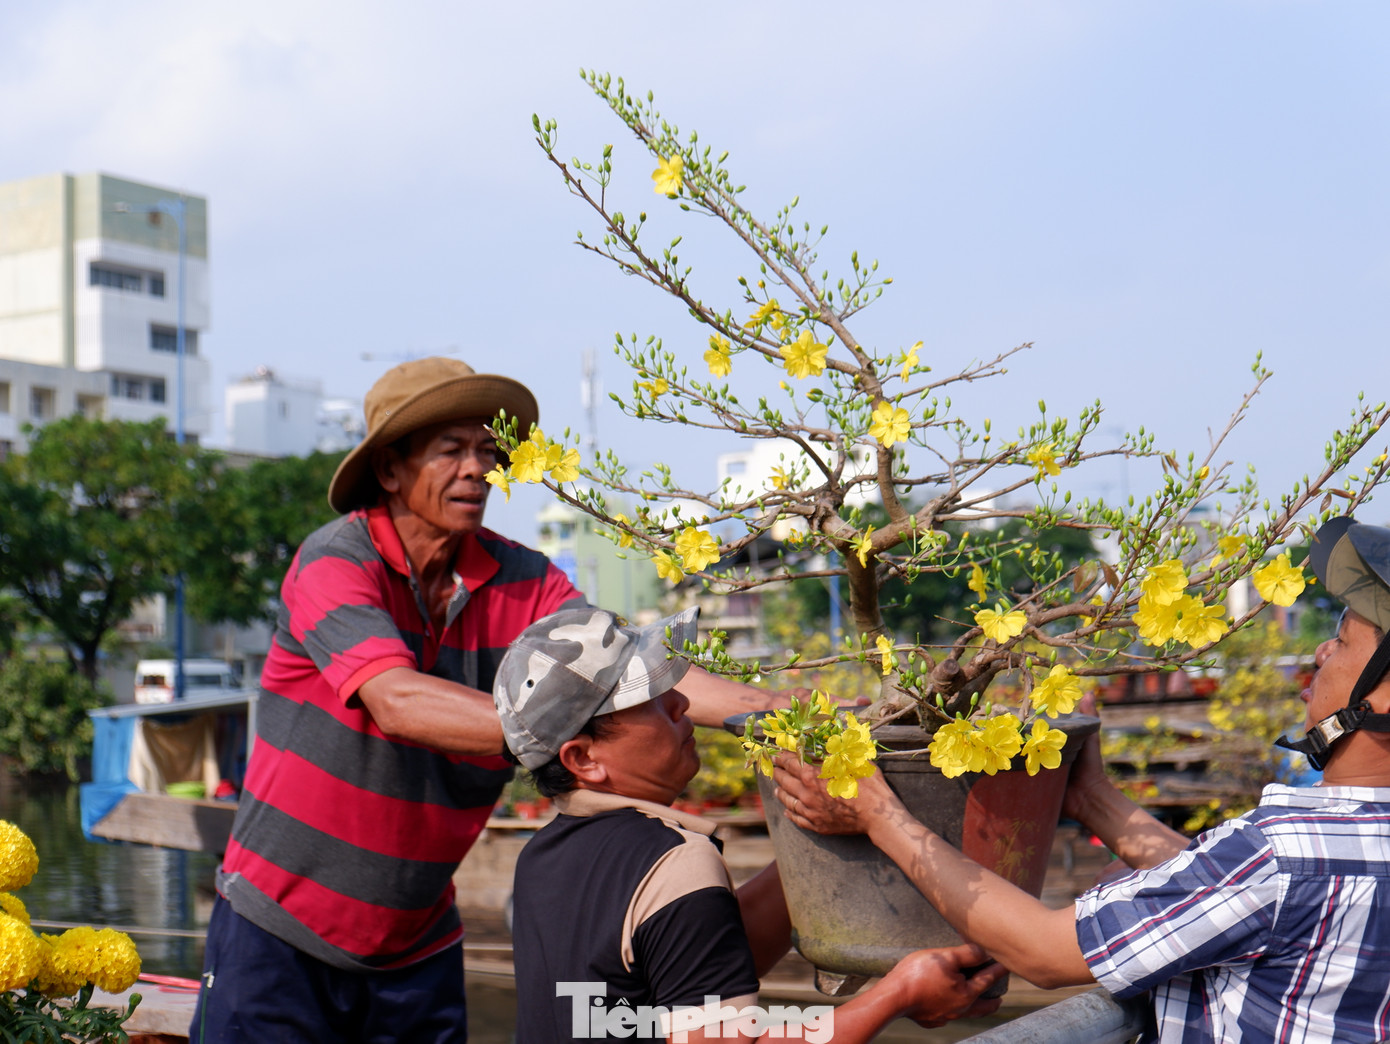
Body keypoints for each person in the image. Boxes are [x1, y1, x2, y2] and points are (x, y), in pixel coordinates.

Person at [191, 357, 794, 1042]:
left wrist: (784, 716)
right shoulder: (335, 561)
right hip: (277, 929)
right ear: (390, 469)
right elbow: (395, 699)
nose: (477, 469)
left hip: (416, 942)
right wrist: (574, 733)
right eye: (451, 451)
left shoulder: (525, 580)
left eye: (487, 451)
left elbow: (625, 669)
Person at [774, 515, 1390, 1043]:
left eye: (1341, 639)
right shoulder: (1304, 854)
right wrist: (1093, 798)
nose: (1319, 653)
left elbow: (1044, 952)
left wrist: (879, 814)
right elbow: (1247, 896)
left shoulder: (1278, 854)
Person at [495, 604, 1007, 1044]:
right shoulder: (674, 863)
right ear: (583, 758)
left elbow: (687, 969)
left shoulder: (540, 858)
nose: (681, 703)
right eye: (646, 697)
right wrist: (898, 993)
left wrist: (842, 819)